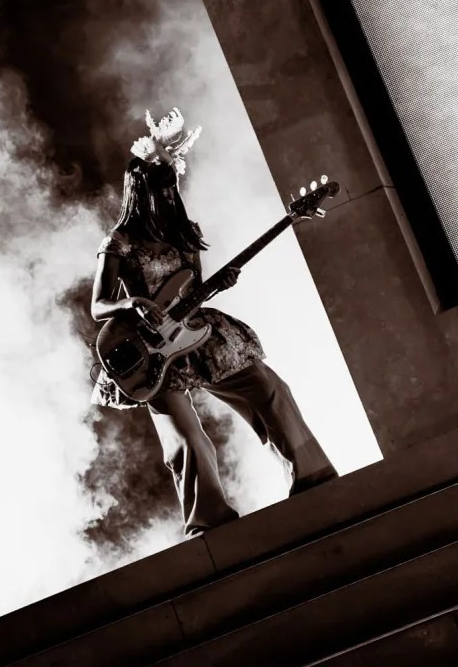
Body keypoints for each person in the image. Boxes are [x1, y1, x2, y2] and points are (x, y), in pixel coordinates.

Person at [90, 108, 336, 538]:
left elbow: (192, 289)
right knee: (189, 442)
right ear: (139, 188)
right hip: (147, 350)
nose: (168, 193)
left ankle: (314, 478)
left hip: (195, 330)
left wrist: (220, 283)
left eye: (171, 184)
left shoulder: (186, 233)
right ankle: (209, 525)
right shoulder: (119, 241)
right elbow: (98, 306)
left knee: (271, 391)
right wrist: (132, 305)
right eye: (159, 185)